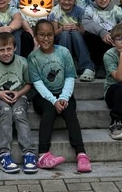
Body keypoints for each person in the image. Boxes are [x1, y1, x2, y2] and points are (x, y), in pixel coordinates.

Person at [28, 20, 91, 173]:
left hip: (64, 93)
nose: (46, 38)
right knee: (49, 109)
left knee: (69, 111)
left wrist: (63, 97)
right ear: (36, 36)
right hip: (42, 96)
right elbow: (37, 83)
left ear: (54, 35)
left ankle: (81, 154)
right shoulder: (33, 57)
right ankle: (43, 154)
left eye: (49, 34)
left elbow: (70, 77)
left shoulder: (63, 52)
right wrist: (54, 100)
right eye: (41, 35)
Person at [0, 31, 35, 174]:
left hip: (19, 96)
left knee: (19, 114)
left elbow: (28, 84)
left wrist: (19, 93)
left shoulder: (22, 62)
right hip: (0, 97)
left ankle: (29, 153)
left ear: (15, 48)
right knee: (5, 113)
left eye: (9, 49)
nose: (6, 53)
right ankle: (3, 154)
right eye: (2, 50)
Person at [49, 0, 94, 81]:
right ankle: (66, 65)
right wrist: (61, 29)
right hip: (61, 39)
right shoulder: (55, 12)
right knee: (65, 34)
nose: (66, 2)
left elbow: (84, 31)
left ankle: (87, 67)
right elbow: (52, 34)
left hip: (77, 38)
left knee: (75, 33)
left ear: (75, 0)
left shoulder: (80, 11)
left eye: (70, 0)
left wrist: (77, 28)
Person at [82, 0, 122, 70]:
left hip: (113, 37)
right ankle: (100, 66)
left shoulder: (115, 9)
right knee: (89, 35)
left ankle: (117, 63)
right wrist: (101, 32)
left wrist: (115, 32)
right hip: (98, 37)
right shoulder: (90, 8)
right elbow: (86, 22)